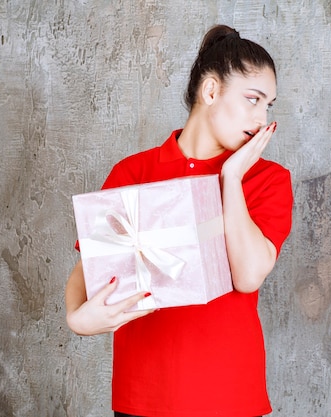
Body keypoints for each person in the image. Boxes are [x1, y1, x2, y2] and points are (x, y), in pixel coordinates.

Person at [65, 24, 293, 417]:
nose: (261, 117)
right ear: (210, 91)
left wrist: (231, 178)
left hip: (231, 397)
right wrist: (77, 318)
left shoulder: (267, 179)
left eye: (268, 105)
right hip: (143, 396)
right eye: (252, 99)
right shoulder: (133, 172)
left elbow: (249, 275)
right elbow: (89, 271)